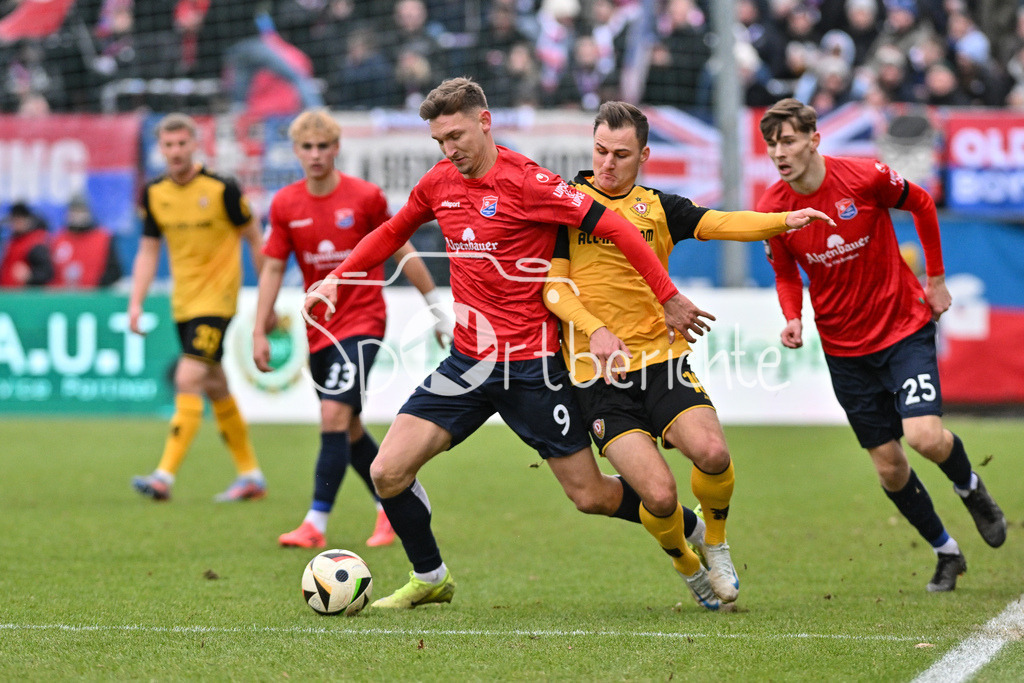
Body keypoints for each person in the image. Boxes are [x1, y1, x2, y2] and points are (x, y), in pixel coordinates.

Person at [304, 77, 710, 610]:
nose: (449, 150)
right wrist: (341, 275)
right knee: (388, 470)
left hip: (534, 370)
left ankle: (686, 525)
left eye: (456, 135)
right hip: (468, 363)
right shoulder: (439, 183)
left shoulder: (531, 182)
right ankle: (430, 576)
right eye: (439, 141)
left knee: (590, 496)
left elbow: (616, 227)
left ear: (484, 120)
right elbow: (391, 233)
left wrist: (668, 296)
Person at [542, 101, 833, 606]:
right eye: (601, 152)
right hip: (596, 374)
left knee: (713, 453)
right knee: (658, 495)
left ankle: (715, 542)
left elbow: (720, 223)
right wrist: (596, 330)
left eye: (622, 155)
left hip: (661, 362)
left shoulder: (657, 207)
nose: (608, 164)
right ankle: (684, 559)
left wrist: (785, 220)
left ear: (645, 155)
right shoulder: (568, 204)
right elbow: (554, 290)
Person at [756, 98, 1006, 592]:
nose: (778, 152)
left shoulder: (863, 178)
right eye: (771, 144)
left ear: (814, 139)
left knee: (925, 438)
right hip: (844, 348)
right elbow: (785, 271)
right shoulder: (773, 208)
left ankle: (970, 488)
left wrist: (935, 279)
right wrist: (792, 316)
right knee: (890, 467)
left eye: (787, 140)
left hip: (901, 329)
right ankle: (945, 551)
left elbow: (923, 203)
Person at [254, 109, 452, 550]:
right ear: (296, 152)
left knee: (333, 416)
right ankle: (389, 509)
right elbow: (272, 268)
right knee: (349, 429)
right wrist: (258, 329)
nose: (316, 154)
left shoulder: (364, 197)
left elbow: (401, 250)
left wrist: (436, 308)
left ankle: (314, 522)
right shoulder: (286, 204)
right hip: (318, 329)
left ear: (336, 148)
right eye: (307, 147)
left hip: (363, 322)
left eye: (324, 146)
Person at [129, 112, 268, 503]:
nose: (175, 151)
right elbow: (148, 249)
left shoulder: (222, 188)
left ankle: (163, 476)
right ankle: (251, 475)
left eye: (181, 144)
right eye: (168, 145)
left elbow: (254, 238)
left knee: (187, 378)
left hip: (218, 300)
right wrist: (136, 302)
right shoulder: (154, 192)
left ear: (195, 145)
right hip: (183, 303)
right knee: (214, 385)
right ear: (161, 148)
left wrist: (266, 298)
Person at [50, 194, 123, 288]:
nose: (77, 216)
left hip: (93, 298)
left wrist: (97, 287)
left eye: (81, 211)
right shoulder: (57, 239)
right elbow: (49, 271)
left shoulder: (103, 238)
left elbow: (115, 271)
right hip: (62, 298)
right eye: (73, 211)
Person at [0, 201, 52, 287]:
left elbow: (47, 272)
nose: (17, 223)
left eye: (20, 219)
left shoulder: (35, 242)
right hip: (7, 292)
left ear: (28, 220)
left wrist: (30, 276)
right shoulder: (10, 240)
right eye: (14, 219)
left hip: (24, 296)